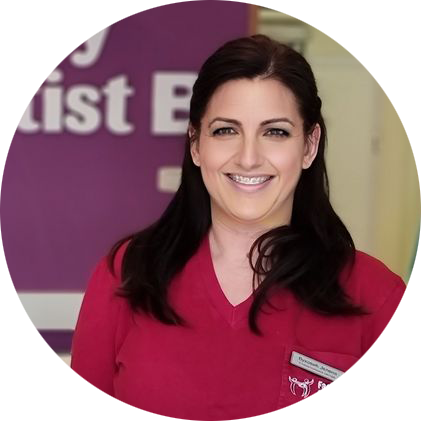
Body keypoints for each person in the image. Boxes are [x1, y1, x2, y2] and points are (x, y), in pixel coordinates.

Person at [70, 34, 406, 420]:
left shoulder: (377, 297)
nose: (248, 158)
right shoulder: (126, 275)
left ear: (309, 145)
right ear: (196, 144)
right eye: (225, 131)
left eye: (275, 132)